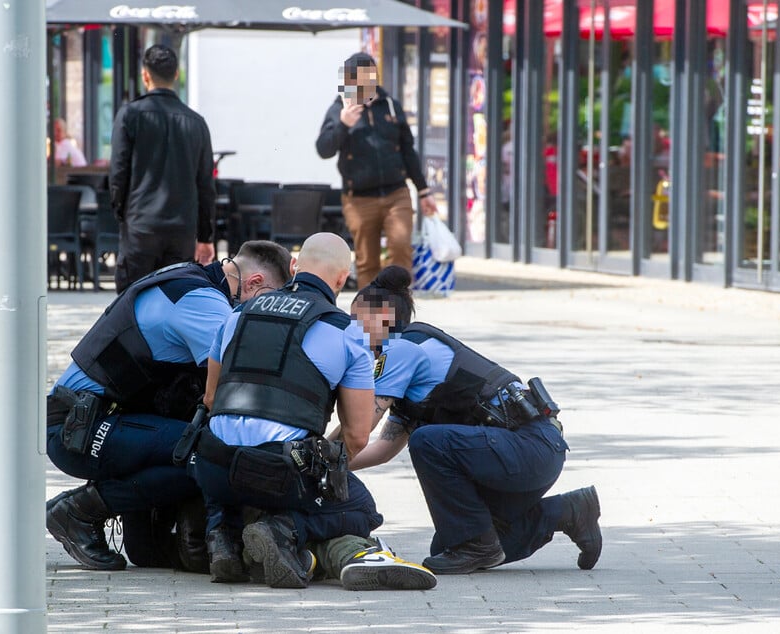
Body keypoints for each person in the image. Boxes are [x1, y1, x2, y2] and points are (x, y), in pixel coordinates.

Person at [189, 232, 436, 591]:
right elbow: (356, 435)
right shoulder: (346, 334)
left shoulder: (237, 313)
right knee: (361, 508)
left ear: (294, 267)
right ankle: (284, 530)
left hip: (212, 468)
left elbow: (210, 399)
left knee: (227, 453)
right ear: (341, 279)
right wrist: (324, 481)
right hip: (278, 473)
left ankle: (223, 533)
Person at [45, 241, 293, 571]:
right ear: (255, 282)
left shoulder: (190, 280)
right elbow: (239, 379)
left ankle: (124, 525)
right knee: (209, 458)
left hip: (99, 419)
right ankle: (78, 510)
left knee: (190, 454)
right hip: (78, 429)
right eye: (268, 301)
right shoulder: (204, 303)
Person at [345, 265, 602, 575]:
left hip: (528, 450)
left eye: (356, 319)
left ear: (383, 316)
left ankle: (479, 545)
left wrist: (318, 457)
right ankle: (570, 511)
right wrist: (334, 465)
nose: (352, 330)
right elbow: (382, 449)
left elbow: (361, 426)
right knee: (449, 545)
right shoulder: (408, 374)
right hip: (527, 455)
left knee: (427, 443)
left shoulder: (401, 348)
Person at [315, 52, 437, 290]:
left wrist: (423, 190)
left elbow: (408, 151)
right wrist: (343, 124)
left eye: (372, 76)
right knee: (366, 260)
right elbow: (324, 149)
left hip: (396, 192)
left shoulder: (390, 104)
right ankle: (370, 316)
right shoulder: (340, 107)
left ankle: (399, 307)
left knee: (401, 247)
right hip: (359, 198)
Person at [110, 44, 216, 294]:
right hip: (182, 229)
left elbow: (118, 173)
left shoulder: (130, 115)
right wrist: (205, 235)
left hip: (141, 225)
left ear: (145, 75)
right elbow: (206, 185)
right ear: (177, 74)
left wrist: (121, 213)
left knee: (132, 299)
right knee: (175, 298)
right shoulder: (196, 122)